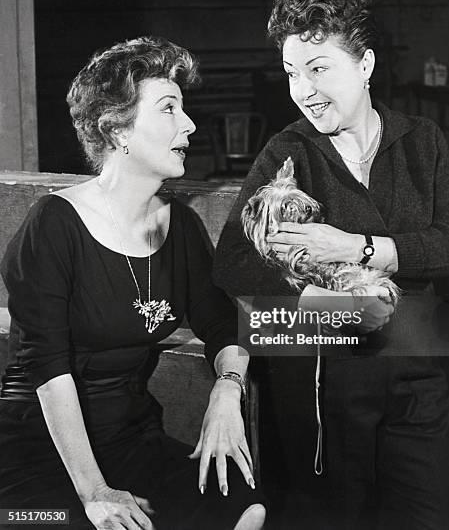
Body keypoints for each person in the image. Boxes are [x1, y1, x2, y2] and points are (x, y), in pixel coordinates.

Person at [213, 0, 449, 529]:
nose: (302, 88)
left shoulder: (422, 140)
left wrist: (356, 247)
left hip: (418, 376)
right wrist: (321, 301)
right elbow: (233, 259)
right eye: (290, 72)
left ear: (366, 63)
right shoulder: (288, 150)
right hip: (327, 386)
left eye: (318, 67)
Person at [0, 37, 266, 530]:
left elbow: (223, 324)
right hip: (42, 454)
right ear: (116, 128)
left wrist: (228, 390)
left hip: (133, 440)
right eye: (168, 109)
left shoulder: (180, 226)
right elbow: (47, 367)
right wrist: (94, 492)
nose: (188, 125)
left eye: (183, 109)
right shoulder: (54, 225)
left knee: (245, 508)